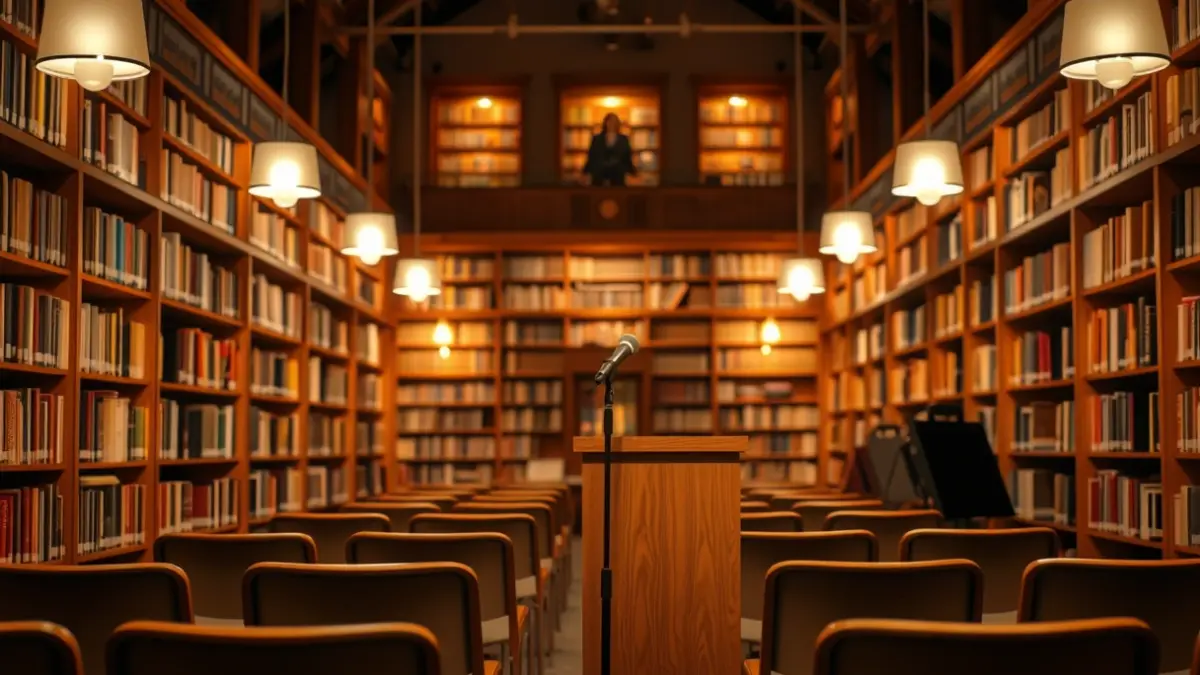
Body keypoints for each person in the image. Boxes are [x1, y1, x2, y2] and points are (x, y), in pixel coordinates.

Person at [582, 112, 637, 186]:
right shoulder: (597, 139)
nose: (611, 124)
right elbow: (592, 156)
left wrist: (633, 172)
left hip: (617, 174)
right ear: (605, 123)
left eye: (614, 122)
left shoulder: (623, 139)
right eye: (609, 122)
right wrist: (585, 172)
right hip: (599, 174)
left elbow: (627, 157)